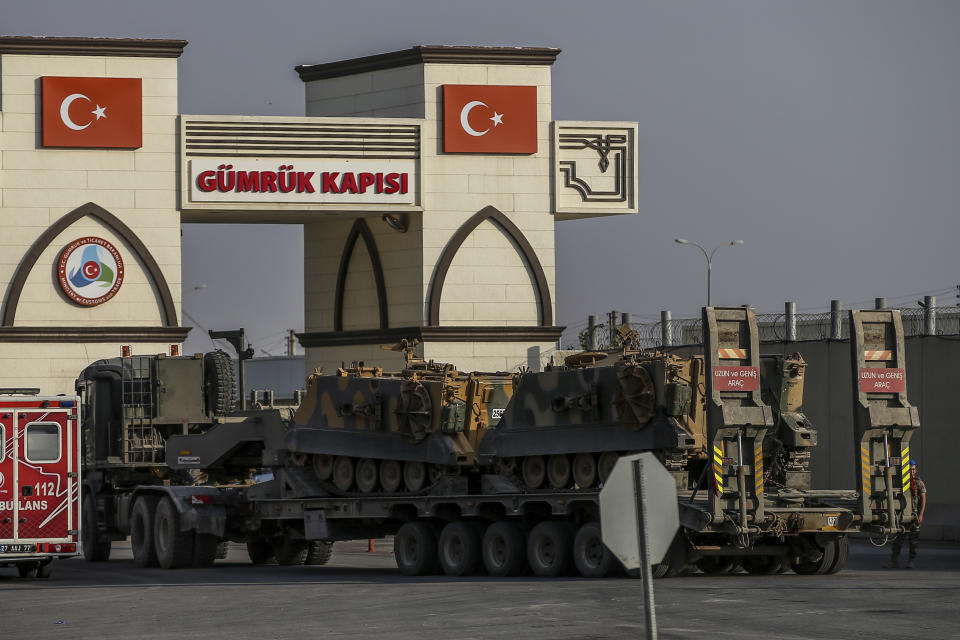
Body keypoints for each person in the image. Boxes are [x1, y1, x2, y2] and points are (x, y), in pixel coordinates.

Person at [884, 460, 927, 569]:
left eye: (913, 469)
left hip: (914, 516)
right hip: (902, 516)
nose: (912, 471)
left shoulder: (919, 482)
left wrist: (921, 515)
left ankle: (911, 561)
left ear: (915, 470)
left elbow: (923, 500)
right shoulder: (902, 482)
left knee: (913, 541)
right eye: (910, 470)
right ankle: (894, 561)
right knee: (897, 540)